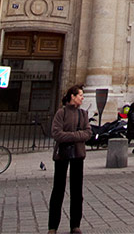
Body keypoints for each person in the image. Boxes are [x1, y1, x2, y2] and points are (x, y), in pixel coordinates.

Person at [49, 85, 91, 234]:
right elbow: (57, 133)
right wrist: (76, 136)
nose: (82, 98)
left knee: (77, 191)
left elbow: (88, 133)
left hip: (78, 155)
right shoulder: (61, 113)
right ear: (72, 96)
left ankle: (75, 225)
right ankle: (52, 227)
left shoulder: (83, 114)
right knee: (58, 190)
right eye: (80, 95)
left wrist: (70, 135)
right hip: (62, 155)